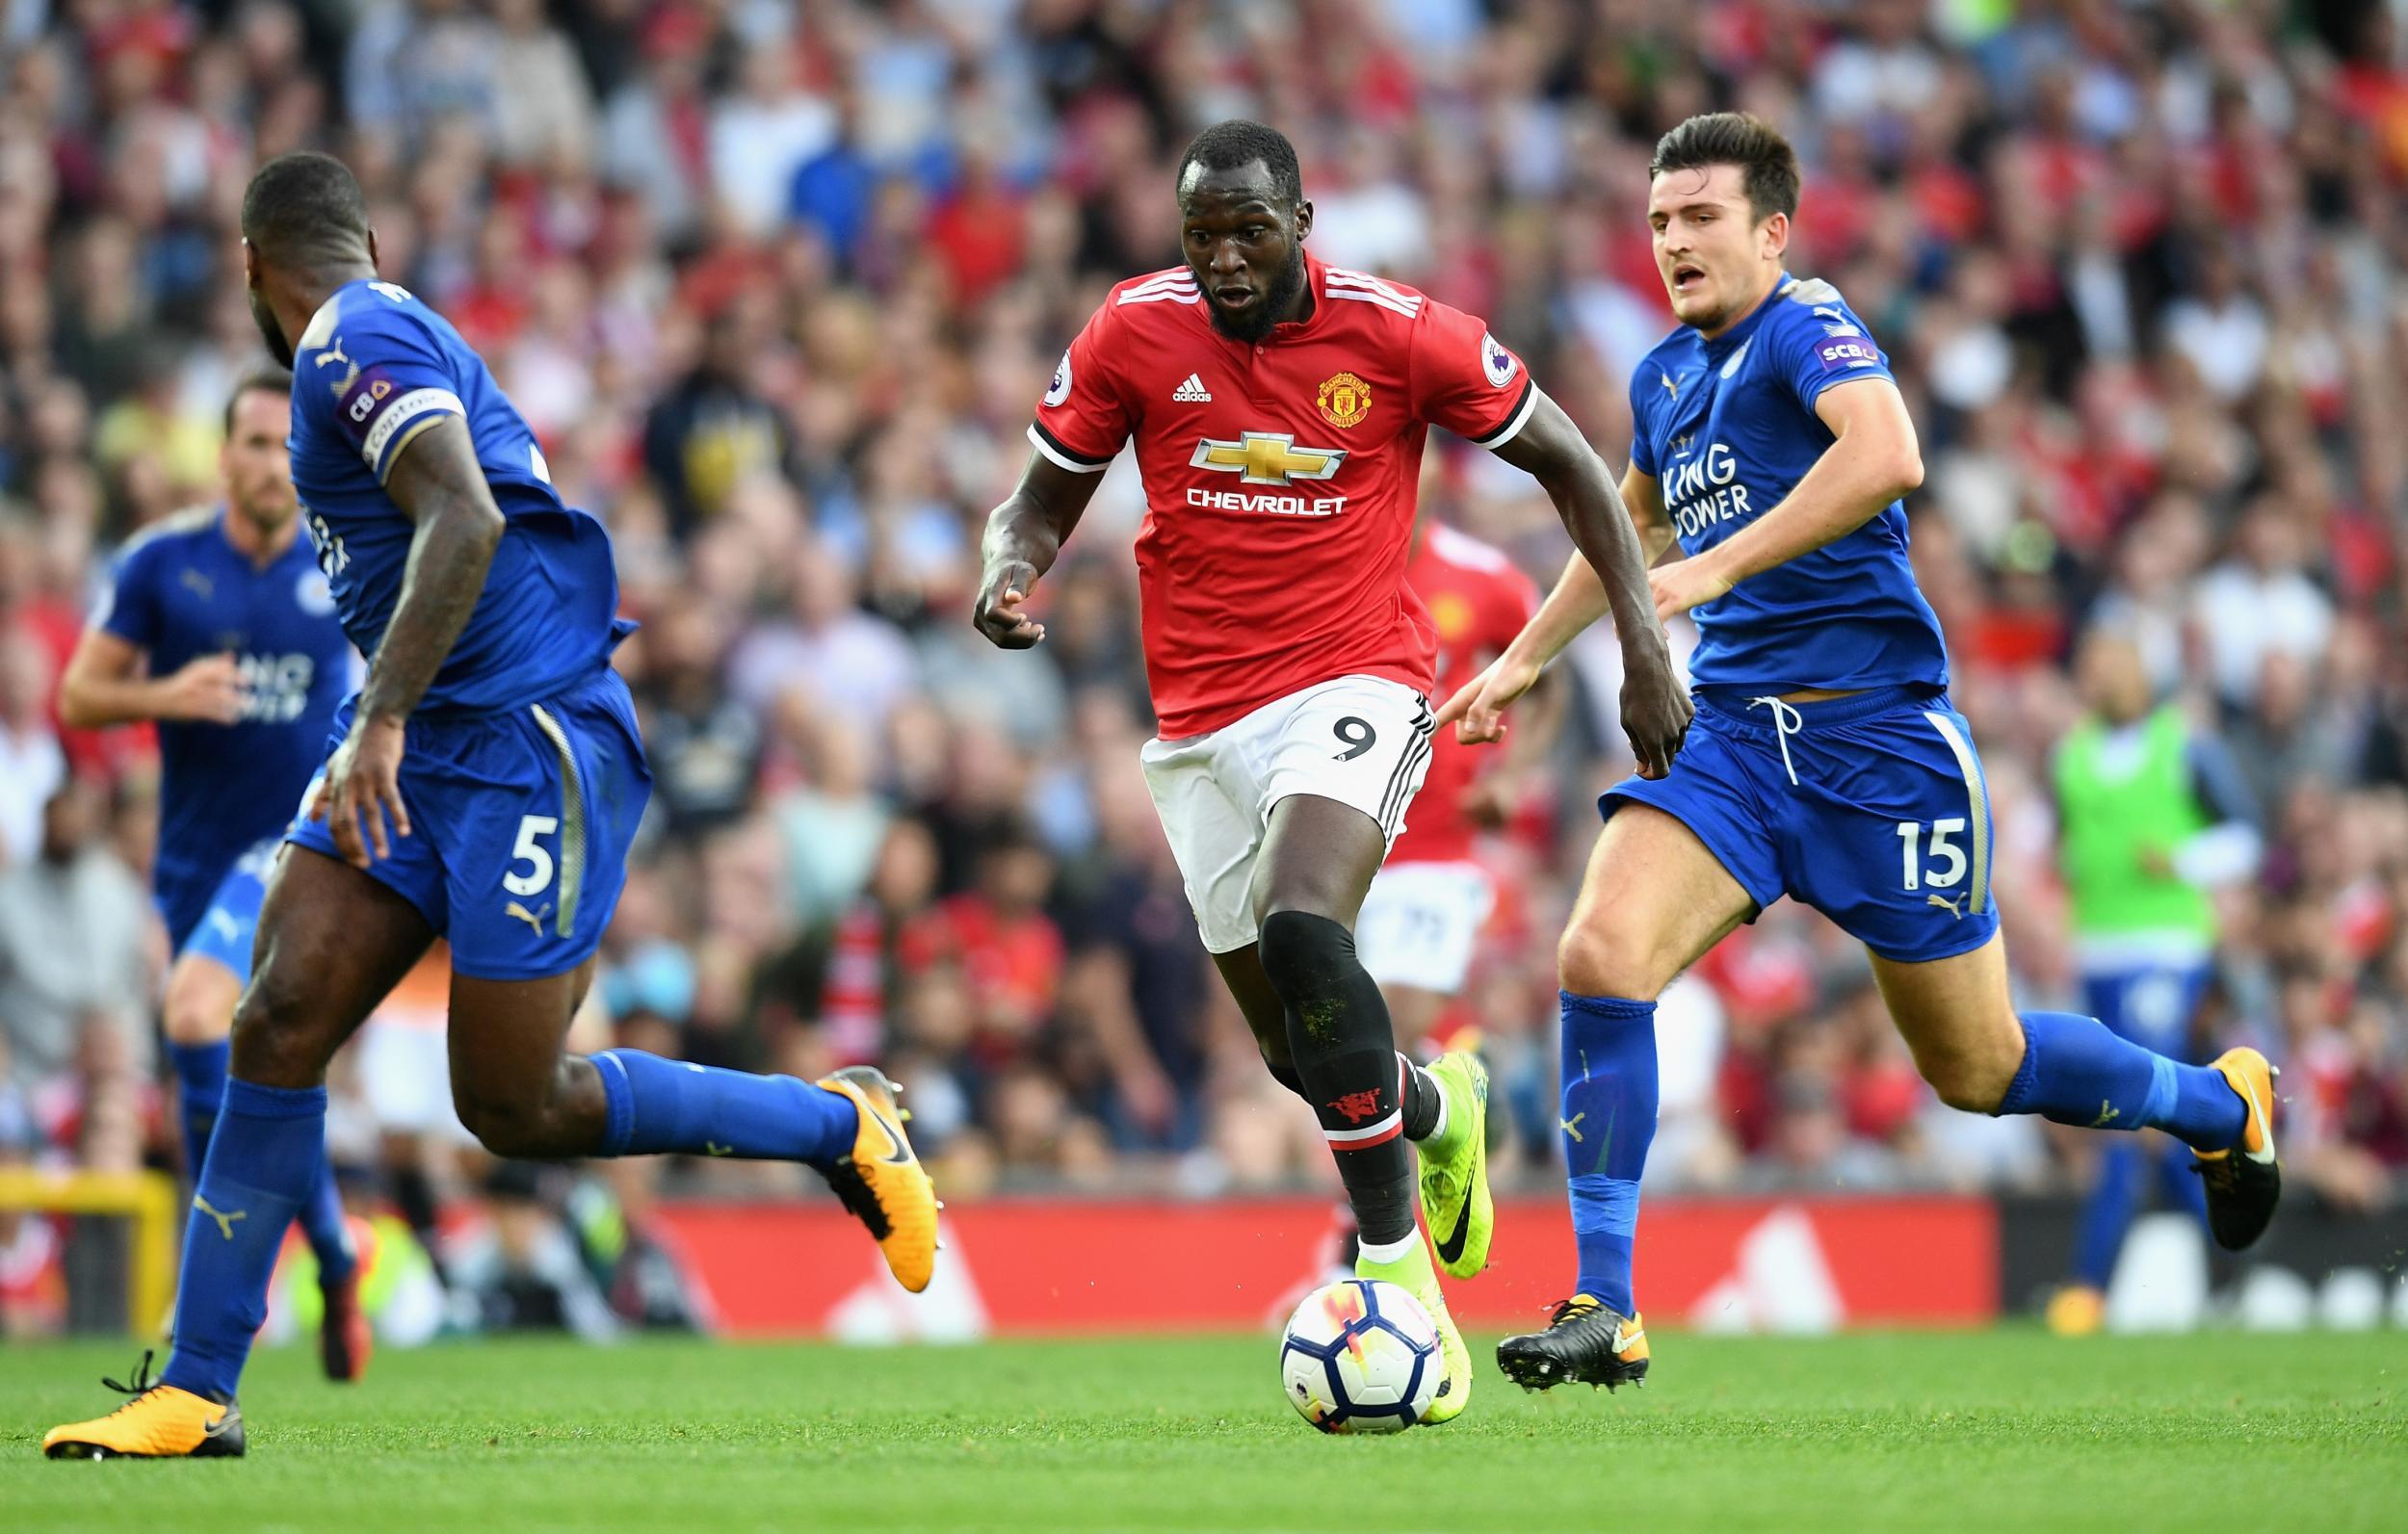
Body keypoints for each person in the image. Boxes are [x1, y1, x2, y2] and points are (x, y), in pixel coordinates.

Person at [44, 152, 937, 1461]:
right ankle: (198, 1384)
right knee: (279, 1015)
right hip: (431, 736)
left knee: (517, 1107)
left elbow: (461, 518)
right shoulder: (368, 339)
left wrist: (382, 717)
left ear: (250, 265)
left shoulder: (352, 338)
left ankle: (839, 1126)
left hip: (525, 741)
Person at [1439, 114, 2280, 1392]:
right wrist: (1522, 659)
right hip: (1731, 736)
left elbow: (1890, 454)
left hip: (1879, 739)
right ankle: (1604, 1302)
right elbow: (1630, 529)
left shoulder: (1805, 323)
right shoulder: (1666, 376)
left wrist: (1703, 572)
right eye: (1661, 221)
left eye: (1703, 217)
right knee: (1600, 951)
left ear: (1773, 230)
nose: (1675, 241)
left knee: (1979, 1066)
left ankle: (2220, 1106)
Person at [974, 119, 1688, 1421]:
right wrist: (1010, 567)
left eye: (1250, 228)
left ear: (1303, 218)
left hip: (1357, 680)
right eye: (1203, 236)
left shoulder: (1403, 332)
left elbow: (1579, 466)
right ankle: (1437, 1108)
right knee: (1298, 1049)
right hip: (1197, 725)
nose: (1226, 258)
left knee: (1309, 926)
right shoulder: (1135, 330)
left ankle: (1395, 1272)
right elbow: (1039, 493)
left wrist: (1640, 646)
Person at [56, 366, 372, 1381]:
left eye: (287, 445)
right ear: (222, 454)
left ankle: (221, 1279)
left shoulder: (350, 564)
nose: (269, 463)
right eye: (250, 442)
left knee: (197, 1015)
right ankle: (330, 1250)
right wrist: (166, 691)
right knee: (259, 1076)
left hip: (295, 853)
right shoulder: (163, 566)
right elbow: (79, 696)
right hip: (190, 862)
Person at [2046, 630, 2261, 1335]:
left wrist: (2182, 860)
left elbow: (2244, 836)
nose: (2100, 678)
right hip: (2099, 951)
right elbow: (2068, 847)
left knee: (2123, 1111)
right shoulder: (2070, 754)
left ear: (2141, 674)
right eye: (2092, 666)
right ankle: (2234, 1253)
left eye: (2112, 665)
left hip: (2167, 945)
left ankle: (2088, 1285)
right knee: (2155, 1117)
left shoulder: (2183, 744)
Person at [1354, 508, 1556, 1047]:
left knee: (1393, 1030)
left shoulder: (1482, 576)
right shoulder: (1317, 564)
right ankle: (1475, 1087)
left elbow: (1549, 681)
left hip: (1434, 845)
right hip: (1331, 840)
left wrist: (1511, 777)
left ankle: (1478, 1101)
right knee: (1342, 1044)